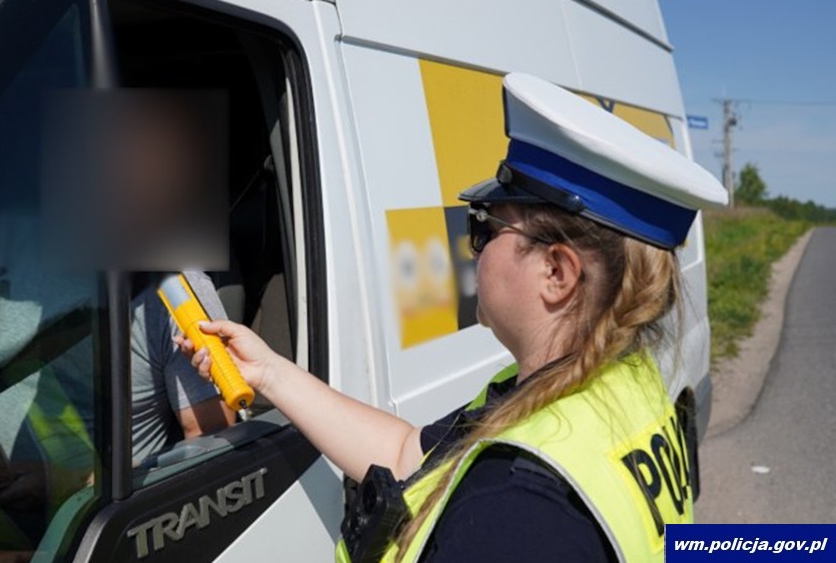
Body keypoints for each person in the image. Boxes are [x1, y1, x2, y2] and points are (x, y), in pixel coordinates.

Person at [176, 73, 728, 563]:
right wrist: (271, 372)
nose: (472, 249)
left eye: (485, 228)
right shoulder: (608, 382)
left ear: (557, 272)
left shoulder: (513, 511)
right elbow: (405, 453)